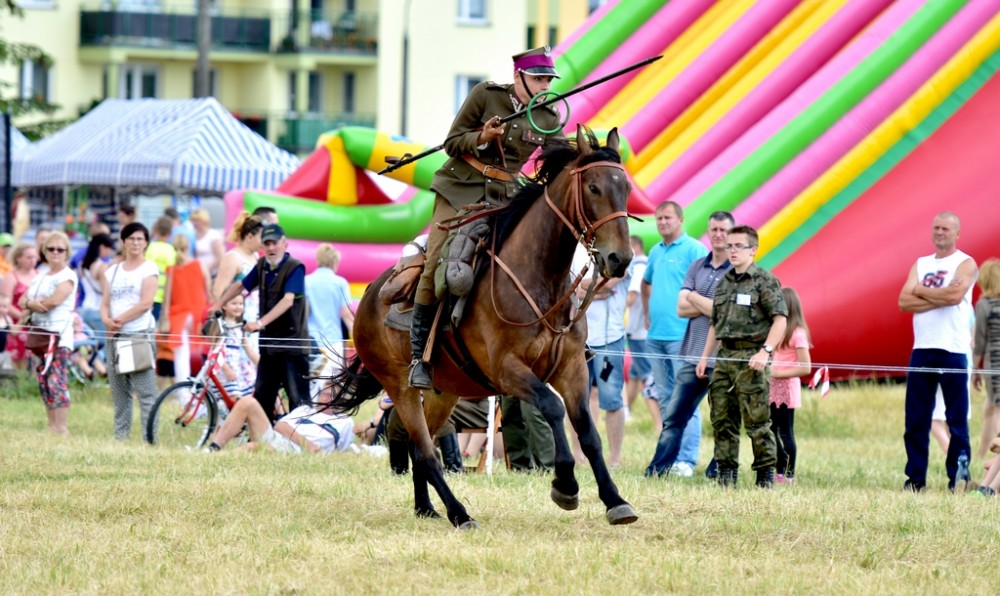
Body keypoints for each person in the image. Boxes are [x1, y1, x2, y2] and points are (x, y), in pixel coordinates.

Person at [408, 46, 566, 389]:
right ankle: (419, 357)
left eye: (548, 80)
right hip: (460, 188)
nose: (545, 86)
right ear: (518, 77)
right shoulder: (486, 95)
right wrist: (482, 136)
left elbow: (562, 159)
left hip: (506, 196)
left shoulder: (549, 117)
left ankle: (564, 339)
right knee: (436, 262)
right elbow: (452, 142)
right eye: (539, 79)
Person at [696, 225, 787, 489]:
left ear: (753, 249)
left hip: (752, 356)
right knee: (722, 419)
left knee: (757, 421)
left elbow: (780, 320)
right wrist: (705, 357)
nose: (732, 251)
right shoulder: (724, 282)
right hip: (725, 357)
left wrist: (765, 351)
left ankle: (765, 475)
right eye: (729, 246)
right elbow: (715, 323)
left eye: (738, 246)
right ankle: (726, 474)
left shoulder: (764, 281)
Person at [645, 211, 733, 478]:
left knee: (723, 418)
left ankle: (717, 470)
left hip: (724, 357)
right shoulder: (697, 266)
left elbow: (724, 312)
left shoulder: (737, 271)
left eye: (723, 230)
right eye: (714, 229)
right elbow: (681, 308)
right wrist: (708, 304)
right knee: (675, 415)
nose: (718, 234)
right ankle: (659, 468)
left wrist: (694, 297)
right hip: (692, 353)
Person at [898, 211, 977, 493]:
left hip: (952, 349)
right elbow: (904, 301)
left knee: (957, 420)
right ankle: (915, 479)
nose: (940, 232)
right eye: (936, 228)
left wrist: (920, 290)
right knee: (915, 420)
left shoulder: (965, 263)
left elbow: (955, 296)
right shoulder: (921, 263)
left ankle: (958, 478)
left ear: (957, 233)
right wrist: (940, 297)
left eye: (945, 228)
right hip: (922, 348)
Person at [216, 223, 310, 422]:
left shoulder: (295, 267)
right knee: (262, 399)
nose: (271, 247)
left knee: (298, 402)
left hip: (292, 346)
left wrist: (259, 323)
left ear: (285, 244)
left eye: (274, 243)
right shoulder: (262, 266)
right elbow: (241, 285)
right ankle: (262, 436)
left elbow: (287, 300)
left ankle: (301, 437)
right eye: (266, 243)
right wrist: (218, 304)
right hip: (269, 346)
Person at [641, 201, 708, 465]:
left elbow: (706, 289)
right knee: (665, 398)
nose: (662, 222)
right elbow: (646, 283)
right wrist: (646, 313)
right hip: (656, 337)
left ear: (681, 220)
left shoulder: (694, 249)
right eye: (659, 218)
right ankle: (670, 457)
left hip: (683, 336)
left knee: (686, 400)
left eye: (668, 218)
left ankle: (687, 460)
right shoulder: (655, 251)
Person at [101, 222, 160, 441]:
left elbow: (146, 303)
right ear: (123, 241)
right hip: (114, 335)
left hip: (137, 333)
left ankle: (149, 439)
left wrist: (119, 320)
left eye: (140, 239)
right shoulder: (112, 271)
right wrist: (107, 320)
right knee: (119, 391)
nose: (135, 243)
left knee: (145, 392)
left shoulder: (149, 269)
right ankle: (121, 437)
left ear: (146, 243)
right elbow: (105, 302)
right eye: (131, 239)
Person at [571, 243, 628, 467]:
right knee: (576, 399)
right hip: (578, 337)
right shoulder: (574, 249)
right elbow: (570, 288)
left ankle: (614, 459)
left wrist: (583, 287)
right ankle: (579, 455)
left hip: (609, 339)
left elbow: (612, 281)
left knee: (612, 399)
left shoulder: (618, 247)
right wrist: (596, 288)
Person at [20, 232, 78, 435]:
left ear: (66, 252)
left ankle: (61, 427)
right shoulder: (41, 275)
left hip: (58, 335)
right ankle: (51, 425)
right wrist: (32, 304)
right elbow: (22, 300)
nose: (55, 252)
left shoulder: (68, 276)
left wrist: (31, 304)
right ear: (45, 251)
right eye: (51, 249)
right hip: (39, 333)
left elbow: (53, 302)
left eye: (60, 249)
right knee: (44, 381)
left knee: (56, 380)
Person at [204, 381, 354, 454]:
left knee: (253, 447)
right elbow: (280, 426)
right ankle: (213, 449)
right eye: (325, 393)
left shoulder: (344, 422)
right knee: (247, 402)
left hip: (295, 451)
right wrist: (307, 444)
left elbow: (342, 451)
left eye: (333, 396)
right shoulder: (305, 410)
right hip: (282, 439)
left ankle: (221, 459)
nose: (327, 398)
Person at [769, 287, 812, 485]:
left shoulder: (798, 334)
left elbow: (806, 367)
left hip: (786, 388)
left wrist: (779, 373)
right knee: (771, 430)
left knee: (785, 432)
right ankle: (778, 470)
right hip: (772, 387)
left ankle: (789, 474)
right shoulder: (776, 331)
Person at [159, 234, 212, 387]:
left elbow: (166, 298)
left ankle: (183, 392)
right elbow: (209, 293)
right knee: (200, 351)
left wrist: (164, 316)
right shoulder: (200, 265)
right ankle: (201, 387)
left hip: (178, 317)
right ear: (189, 247)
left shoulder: (171, 270)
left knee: (181, 355)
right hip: (198, 314)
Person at [304, 244, 354, 371]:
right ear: (334, 262)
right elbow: (346, 314)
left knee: (312, 380)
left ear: (318, 260)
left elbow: (303, 313)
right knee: (333, 381)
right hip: (333, 341)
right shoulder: (340, 283)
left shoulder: (306, 281)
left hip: (311, 341)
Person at [213, 212, 263, 329]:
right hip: (236, 321)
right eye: (262, 238)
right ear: (250, 237)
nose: (264, 242)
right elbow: (218, 290)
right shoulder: (233, 258)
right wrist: (226, 319)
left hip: (253, 317)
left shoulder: (255, 256)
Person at [973, 258, 1000, 462]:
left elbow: (980, 342)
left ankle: (995, 457)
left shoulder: (984, 305)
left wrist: (975, 369)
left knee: (997, 408)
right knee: (989, 407)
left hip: (995, 364)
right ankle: (983, 455)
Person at [624, 235, 653, 423]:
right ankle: (626, 411)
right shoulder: (648, 264)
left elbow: (632, 295)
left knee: (646, 375)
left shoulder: (639, 266)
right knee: (635, 374)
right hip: (643, 328)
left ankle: (658, 420)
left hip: (638, 330)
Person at [0, 243, 40, 368]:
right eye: (29, 257)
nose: (32, 260)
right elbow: (6, 303)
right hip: (18, 325)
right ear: (18, 258)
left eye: (34, 257)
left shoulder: (39, 275)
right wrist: (24, 317)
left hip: (37, 324)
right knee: (19, 364)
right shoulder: (11, 277)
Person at [213, 293, 259, 401]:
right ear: (224, 306)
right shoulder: (221, 325)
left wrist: (262, 364)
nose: (238, 307)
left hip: (236, 368)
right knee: (235, 399)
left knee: (249, 396)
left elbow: (248, 349)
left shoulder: (240, 327)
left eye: (240, 304)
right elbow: (215, 350)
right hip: (223, 368)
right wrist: (226, 369)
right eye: (234, 303)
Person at [77, 233, 116, 356]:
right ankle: (101, 366)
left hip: (83, 308)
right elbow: (106, 292)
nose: (110, 251)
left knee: (89, 344)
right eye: (109, 248)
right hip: (97, 311)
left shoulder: (82, 265)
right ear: (102, 247)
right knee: (104, 345)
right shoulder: (102, 267)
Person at [146, 216, 177, 321]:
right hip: (164, 296)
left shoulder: (150, 248)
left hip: (148, 294)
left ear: (155, 230)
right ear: (170, 233)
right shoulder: (172, 251)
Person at [190, 208, 224, 277]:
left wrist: (207, 269)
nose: (194, 223)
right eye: (193, 220)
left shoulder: (213, 235)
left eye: (197, 220)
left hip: (212, 274)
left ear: (204, 221)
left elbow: (220, 257)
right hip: (197, 273)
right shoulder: (192, 235)